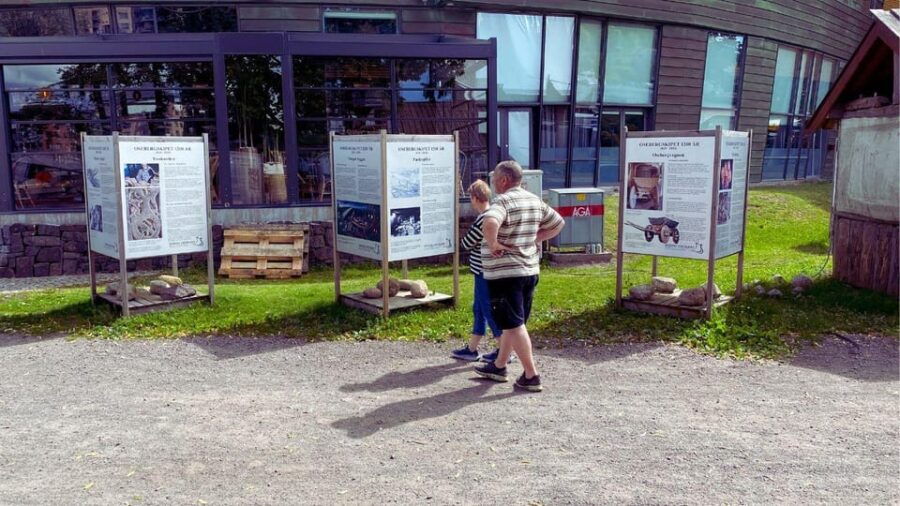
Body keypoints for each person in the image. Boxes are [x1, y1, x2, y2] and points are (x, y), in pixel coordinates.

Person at [474, 160, 564, 392]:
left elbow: (490, 220)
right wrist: (536, 238)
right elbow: (558, 222)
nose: (493, 185)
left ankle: (531, 375)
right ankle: (499, 366)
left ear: (504, 180)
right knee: (513, 323)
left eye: (494, 181)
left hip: (506, 274)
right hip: (529, 271)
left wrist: (493, 243)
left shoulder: (502, 201)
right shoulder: (534, 199)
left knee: (513, 325)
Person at [450, 180, 505, 362]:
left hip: (483, 271)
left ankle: (503, 349)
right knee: (479, 309)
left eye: (471, 198)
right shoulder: (492, 213)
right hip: (482, 270)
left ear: (475, 198)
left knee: (488, 309)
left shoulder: (483, 218)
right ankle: (472, 349)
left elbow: (467, 243)